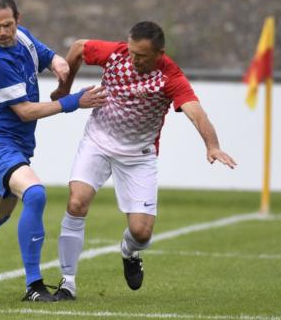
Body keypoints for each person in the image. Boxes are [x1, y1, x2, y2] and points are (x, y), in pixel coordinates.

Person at [50, 21, 237, 301]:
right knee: (76, 202)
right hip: (98, 141)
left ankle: (129, 251)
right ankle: (67, 284)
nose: (133, 59)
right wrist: (65, 88)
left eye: (141, 56)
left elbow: (196, 112)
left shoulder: (171, 76)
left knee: (141, 232)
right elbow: (78, 48)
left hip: (139, 155)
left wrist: (212, 145)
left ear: (160, 53)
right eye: (131, 51)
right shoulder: (116, 54)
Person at [0, 0, 106, 302]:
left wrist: (58, 61)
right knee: (35, 193)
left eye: (7, 25)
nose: (2, 32)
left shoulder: (23, 37)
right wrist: (73, 101)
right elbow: (26, 111)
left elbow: (44, 55)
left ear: (19, 20)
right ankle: (34, 285)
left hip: (16, 145)